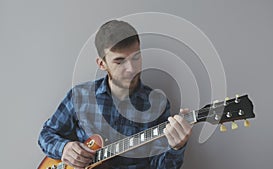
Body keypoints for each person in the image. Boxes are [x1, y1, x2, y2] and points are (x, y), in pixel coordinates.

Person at [38, 20, 192, 169]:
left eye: (136, 57)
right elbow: (46, 134)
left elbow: (161, 166)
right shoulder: (80, 96)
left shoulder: (158, 104)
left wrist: (176, 148)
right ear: (102, 64)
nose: (131, 69)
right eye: (119, 61)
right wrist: (64, 148)